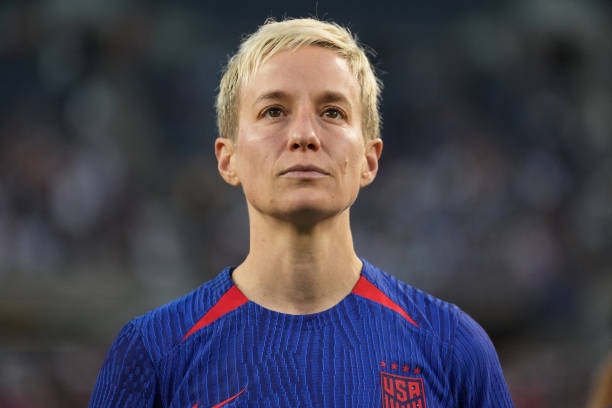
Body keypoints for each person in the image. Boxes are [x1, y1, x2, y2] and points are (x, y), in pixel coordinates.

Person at [89, 17, 514, 407]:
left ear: (369, 159)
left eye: (332, 112)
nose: (304, 135)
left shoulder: (453, 348)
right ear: (228, 159)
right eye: (274, 111)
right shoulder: (152, 352)